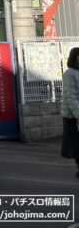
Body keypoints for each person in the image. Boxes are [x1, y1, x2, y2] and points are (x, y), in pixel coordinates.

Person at [61, 47, 79, 179]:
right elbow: (70, 96)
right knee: (76, 145)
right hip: (73, 116)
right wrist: (78, 115)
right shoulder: (69, 74)